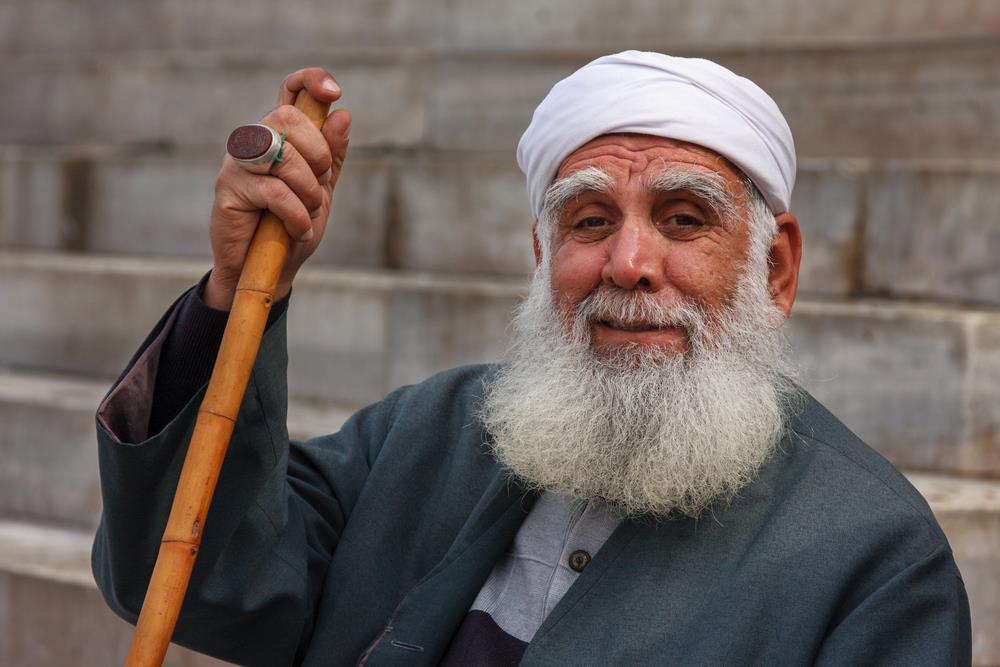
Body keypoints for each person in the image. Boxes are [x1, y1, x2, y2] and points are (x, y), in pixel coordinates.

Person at [92, 52, 971, 666]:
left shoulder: (876, 559)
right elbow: (199, 578)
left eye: (683, 218)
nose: (628, 263)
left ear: (774, 268)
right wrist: (235, 291)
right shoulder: (427, 431)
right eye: (590, 220)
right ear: (543, 256)